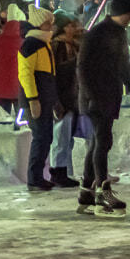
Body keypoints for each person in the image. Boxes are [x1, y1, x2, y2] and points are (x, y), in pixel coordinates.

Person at [77, 0, 130, 216]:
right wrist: (90, 95)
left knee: (98, 143)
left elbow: (123, 67)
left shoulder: (117, 33)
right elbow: (83, 67)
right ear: (124, 13)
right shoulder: (97, 34)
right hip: (97, 97)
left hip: (107, 96)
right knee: (103, 141)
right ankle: (101, 191)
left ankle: (86, 192)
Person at [17, 6, 58, 192]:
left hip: (44, 98)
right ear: (39, 24)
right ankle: (34, 178)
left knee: (45, 137)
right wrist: (33, 99)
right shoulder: (31, 44)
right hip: (37, 100)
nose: (51, 26)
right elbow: (25, 74)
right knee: (40, 137)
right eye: (48, 22)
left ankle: (38, 176)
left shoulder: (43, 43)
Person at [49, 12, 83, 188]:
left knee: (67, 138)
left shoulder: (74, 45)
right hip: (62, 97)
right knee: (60, 137)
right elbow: (56, 73)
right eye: (69, 25)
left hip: (72, 97)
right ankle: (58, 172)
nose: (73, 28)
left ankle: (65, 171)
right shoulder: (58, 46)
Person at [0, 6, 25, 116]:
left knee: (3, 117)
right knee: (21, 116)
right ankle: (20, 129)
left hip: (0, 85)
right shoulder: (23, 40)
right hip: (18, 84)